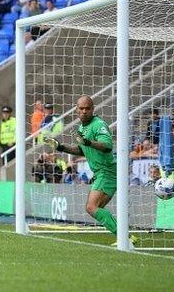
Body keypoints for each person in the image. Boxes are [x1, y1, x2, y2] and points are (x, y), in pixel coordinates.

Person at [45, 95, 139, 246]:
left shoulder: (98, 124)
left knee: (91, 207)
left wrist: (88, 141)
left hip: (107, 171)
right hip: (100, 173)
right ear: (76, 110)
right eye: (81, 109)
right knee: (97, 208)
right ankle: (126, 236)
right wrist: (60, 147)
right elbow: (82, 150)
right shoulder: (82, 127)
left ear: (93, 109)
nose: (84, 111)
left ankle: (124, 238)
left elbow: (107, 145)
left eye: (87, 108)